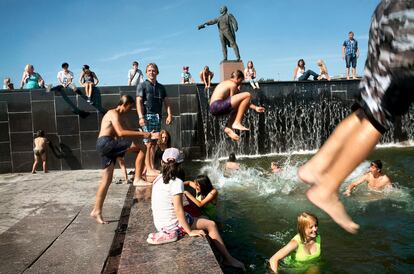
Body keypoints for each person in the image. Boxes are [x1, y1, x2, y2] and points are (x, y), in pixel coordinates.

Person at [298, 0, 414, 234]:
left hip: (388, 10)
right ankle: (327, 187)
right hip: (408, 19)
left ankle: (316, 166)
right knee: (381, 113)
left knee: (367, 108)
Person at [148, 148, 244, 270]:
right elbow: (178, 210)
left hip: (159, 223)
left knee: (200, 217)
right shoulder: (177, 182)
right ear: (180, 165)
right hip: (171, 226)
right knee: (211, 224)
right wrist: (189, 231)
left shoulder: (157, 179)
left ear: (162, 163)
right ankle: (228, 259)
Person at [91, 95, 158, 224]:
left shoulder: (121, 116)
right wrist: (144, 134)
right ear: (125, 104)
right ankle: (138, 178)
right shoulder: (113, 113)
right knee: (142, 147)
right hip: (106, 143)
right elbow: (121, 133)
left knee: (106, 180)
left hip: (105, 145)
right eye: (130, 107)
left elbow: (129, 130)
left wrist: (146, 132)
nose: (130, 110)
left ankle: (96, 210)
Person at [136, 63, 172, 185]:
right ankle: (149, 169)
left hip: (157, 116)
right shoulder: (142, 85)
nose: (151, 72)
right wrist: (141, 117)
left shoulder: (161, 87)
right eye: (149, 70)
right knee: (148, 143)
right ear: (146, 72)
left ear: (157, 72)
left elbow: (166, 102)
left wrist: (169, 114)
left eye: (153, 70)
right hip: (147, 116)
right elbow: (139, 101)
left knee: (154, 143)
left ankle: (149, 167)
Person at [209, 70, 265, 141]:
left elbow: (242, 102)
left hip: (213, 108)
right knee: (248, 95)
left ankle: (229, 128)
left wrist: (255, 108)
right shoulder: (233, 84)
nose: (240, 83)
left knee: (239, 106)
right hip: (217, 105)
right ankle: (237, 122)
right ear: (237, 78)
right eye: (241, 81)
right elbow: (232, 99)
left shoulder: (224, 83)